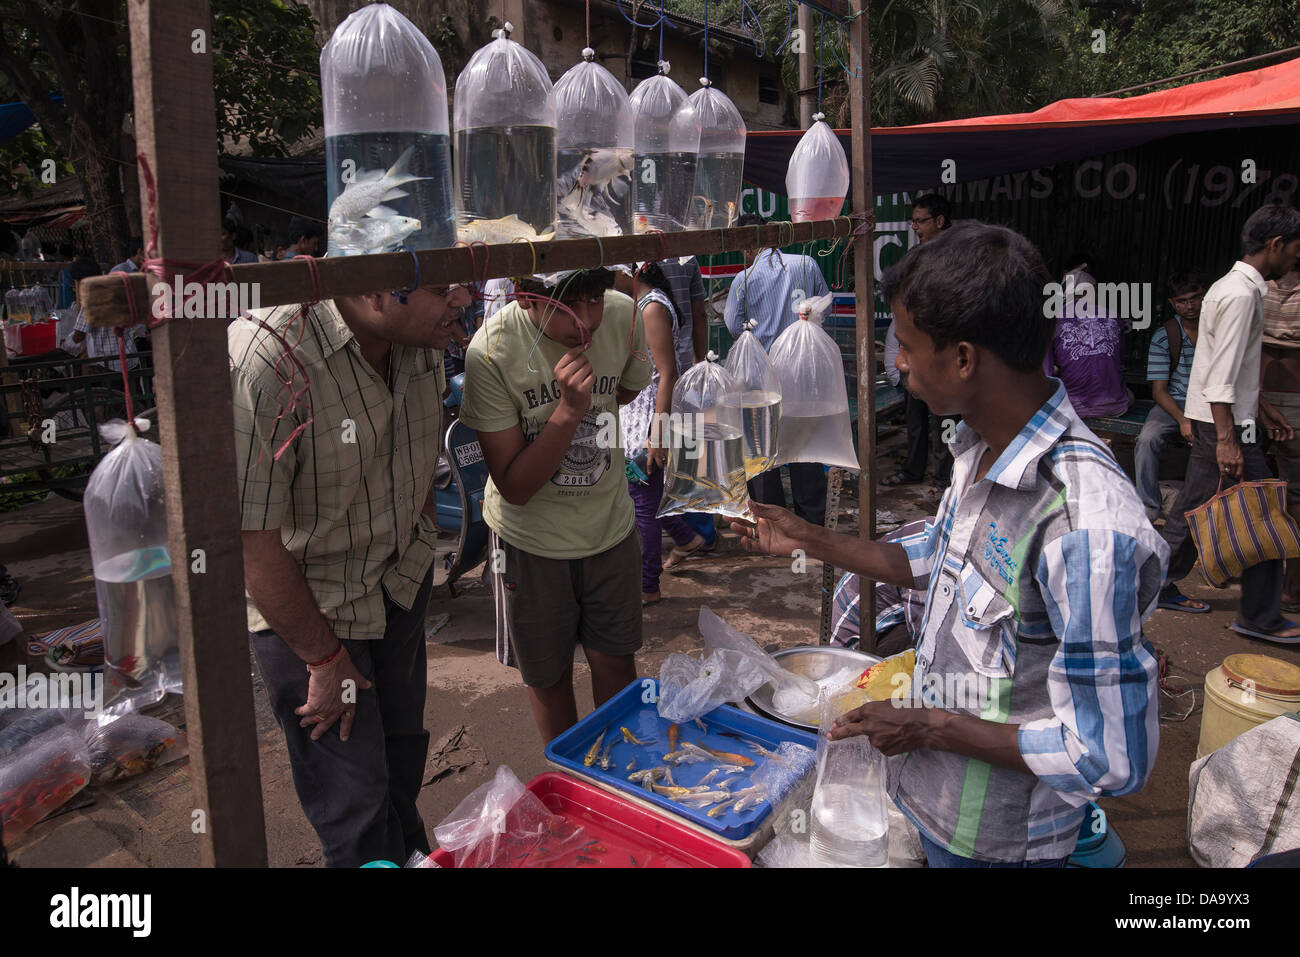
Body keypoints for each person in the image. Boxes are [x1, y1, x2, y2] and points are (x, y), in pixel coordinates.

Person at [735, 221, 1166, 866]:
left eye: (906, 345)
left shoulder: (1086, 531)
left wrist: (928, 724)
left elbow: (1109, 756)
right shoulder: (977, 450)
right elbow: (928, 560)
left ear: (963, 359)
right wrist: (807, 537)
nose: (898, 363)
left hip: (1000, 843)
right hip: (930, 804)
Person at [229, 278, 471, 867]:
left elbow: (412, 455)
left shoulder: (422, 339)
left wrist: (418, 550)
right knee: (355, 810)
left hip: (398, 584)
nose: (462, 298)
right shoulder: (270, 360)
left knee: (401, 766)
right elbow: (252, 541)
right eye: (443, 287)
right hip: (314, 616)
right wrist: (321, 659)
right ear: (373, 293)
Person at [459, 268, 650, 743]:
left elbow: (627, 388)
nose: (586, 321)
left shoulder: (624, 317)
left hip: (610, 529)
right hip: (531, 544)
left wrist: (592, 404)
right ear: (526, 298)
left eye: (594, 299)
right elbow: (515, 486)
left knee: (616, 665)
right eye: (568, 307)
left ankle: (618, 786)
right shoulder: (491, 351)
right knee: (548, 678)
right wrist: (567, 411)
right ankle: (568, 787)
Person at [1154, 203, 1300, 642]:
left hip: (1219, 421)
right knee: (1263, 518)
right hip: (1223, 426)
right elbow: (1220, 378)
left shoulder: (1229, 286)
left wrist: (1259, 405)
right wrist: (1227, 440)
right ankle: (1259, 616)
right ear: (1275, 245)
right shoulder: (1241, 294)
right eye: (1294, 249)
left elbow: (1223, 364)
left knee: (1194, 508)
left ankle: (1158, 581)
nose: (1295, 258)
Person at [723, 213, 831, 527]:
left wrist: (761, 329)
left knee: (761, 449)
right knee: (802, 445)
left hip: (761, 375)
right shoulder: (806, 265)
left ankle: (772, 522)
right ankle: (811, 522)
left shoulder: (742, 279)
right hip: (802, 371)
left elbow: (733, 326)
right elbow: (825, 307)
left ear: (746, 244)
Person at [622, 263, 710, 604]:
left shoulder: (652, 307)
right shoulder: (644, 303)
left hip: (646, 424)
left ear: (635, 270)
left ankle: (648, 585)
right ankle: (686, 538)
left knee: (641, 503)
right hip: (636, 420)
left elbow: (667, 372)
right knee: (645, 493)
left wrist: (657, 434)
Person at [882, 192, 954, 489]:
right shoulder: (915, 256)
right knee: (915, 415)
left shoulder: (956, 254)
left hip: (942, 348)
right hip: (915, 347)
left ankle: (942, 479)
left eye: (920, 221)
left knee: (944, 419)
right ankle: (912, 470)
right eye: (912, 222)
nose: (915, 228)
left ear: (939, 220)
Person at [1134, 272, 1204, 521]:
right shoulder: (1165, 336)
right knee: (1147, 439)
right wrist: (1183, 420)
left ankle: (1210, 508)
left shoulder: (1216, 330)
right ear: (1173, 303)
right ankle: (1149, 507)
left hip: (1209, 403)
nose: (1190, 306)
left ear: (1204, 296)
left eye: (1195, 298)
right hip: (1174, 402)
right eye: (1183, 301)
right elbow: (1159, 391)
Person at [1043, 251, 1131, 418]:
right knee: (1129, 395)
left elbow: (1047, 374)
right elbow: (1119, 363)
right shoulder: (1114, 317)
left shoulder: (1052, 320)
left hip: (1072, 408)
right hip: (1114, 406)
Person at [1261, 261, 1300, 609]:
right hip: (1260, 396)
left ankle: (1288, 584)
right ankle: (1287, 586)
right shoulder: (1256, 287)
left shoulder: (1257, 286)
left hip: (1260, 395)